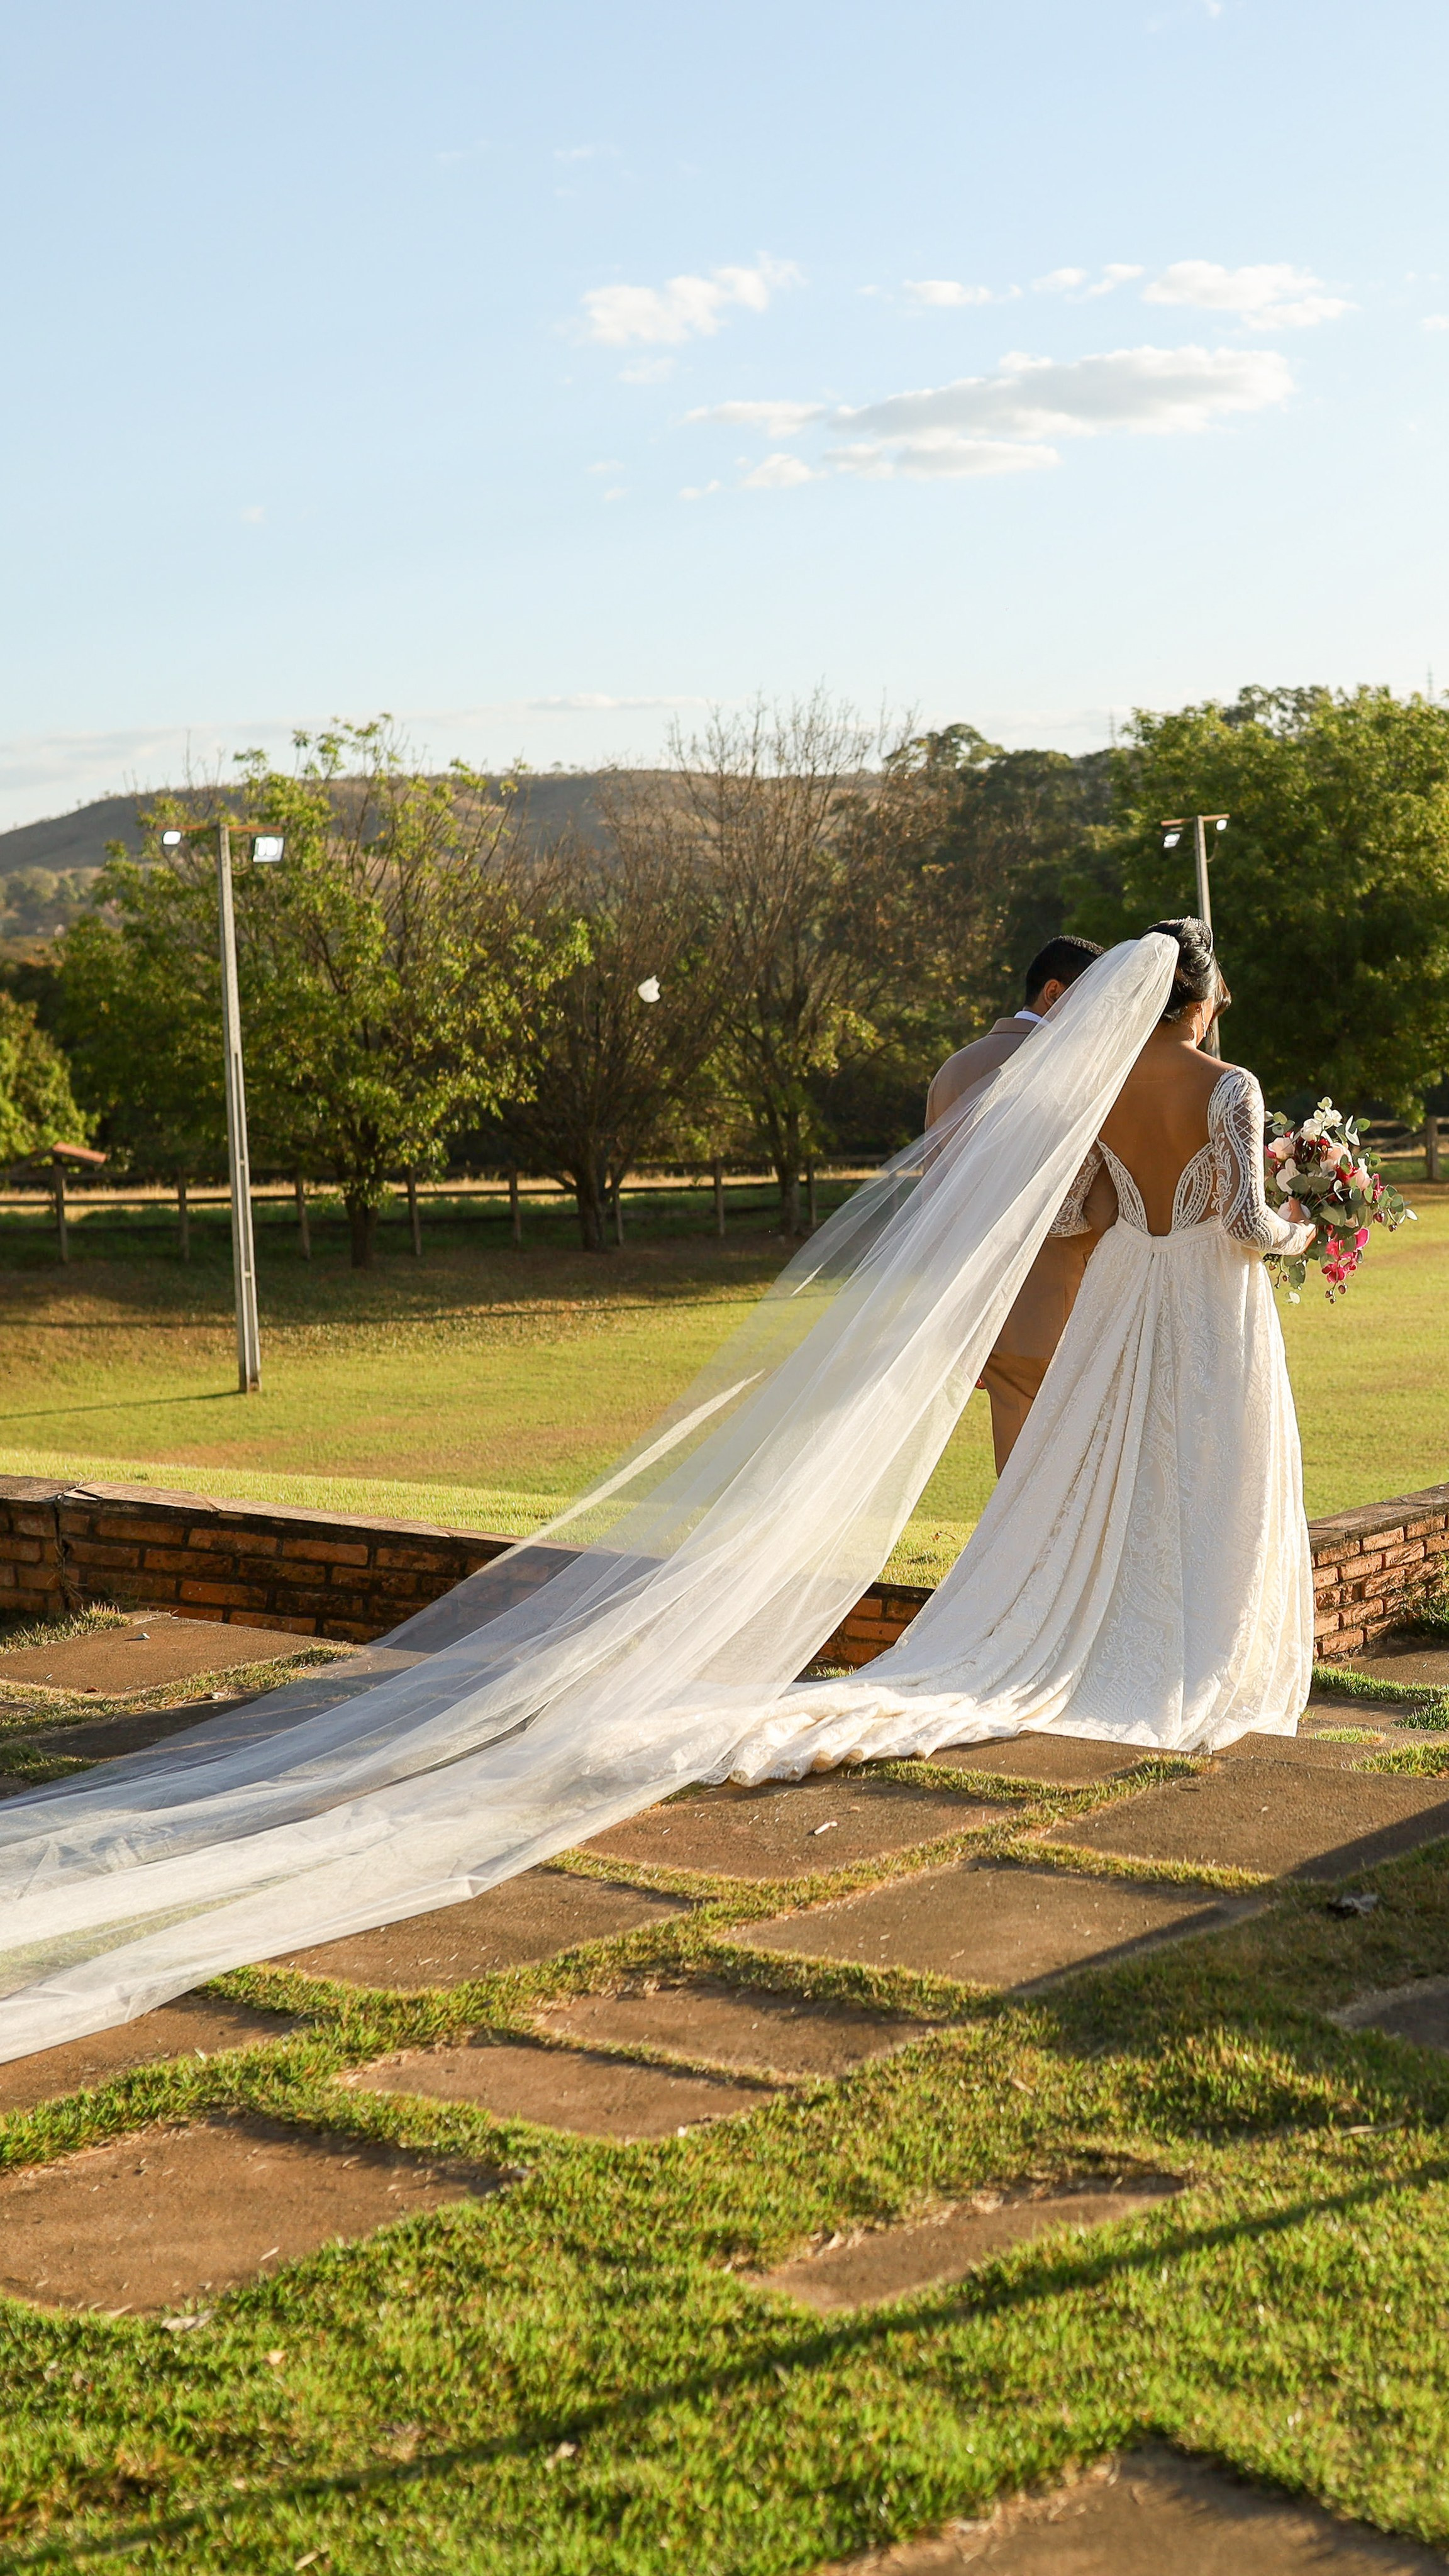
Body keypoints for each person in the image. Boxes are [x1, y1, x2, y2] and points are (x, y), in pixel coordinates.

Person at [0, 926, 1318, 2066]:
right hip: (1198, 1309)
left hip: (1109, 1314)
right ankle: (1187, 1637)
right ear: (1207, 996)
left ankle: (1091, 1626)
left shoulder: (1071, 1077)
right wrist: (1317, 1211)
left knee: (1089, 1489)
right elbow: (1250, 1225)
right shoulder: (1229, 1083)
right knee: (1206, 1473)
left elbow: (1074, 1195)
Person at [926, 935, 1109, 1471]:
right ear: (1053, 992)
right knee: (1073, 1470)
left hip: (978, 1302)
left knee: (1015, 1462)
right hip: (1061, 1295)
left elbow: (937, 1196)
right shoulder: (1068, 1072)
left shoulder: (953, 1069)